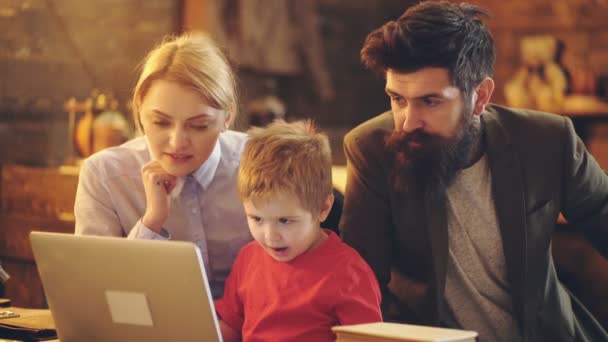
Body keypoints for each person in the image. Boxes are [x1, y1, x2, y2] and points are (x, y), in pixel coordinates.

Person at [340, 1, 608, 341]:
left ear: (480, 96)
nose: (407, 122)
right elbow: (361, 287)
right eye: (397, 99)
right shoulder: (371, 150)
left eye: (430, 101)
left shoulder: (548, 141)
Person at [74, 33, 252, 299]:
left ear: (228, 117)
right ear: (139, 110)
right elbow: (95, 292)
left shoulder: (262, 164)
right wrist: (151, 223)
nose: (177, 142)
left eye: (199, 125)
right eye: (160, 122)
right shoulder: (104, 175)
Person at [215, 120, 382, 341]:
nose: (269, 235)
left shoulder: (349, 274)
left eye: (285, 221)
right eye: (256, 219)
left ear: (323, 209)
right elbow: (230, 328)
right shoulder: (247, 259)